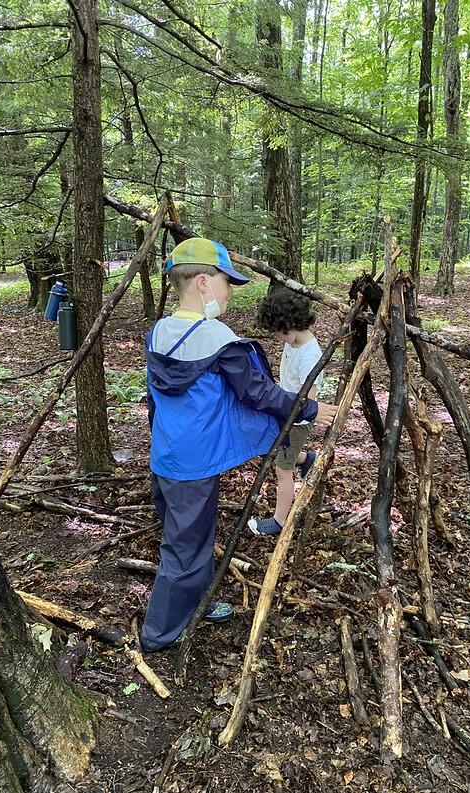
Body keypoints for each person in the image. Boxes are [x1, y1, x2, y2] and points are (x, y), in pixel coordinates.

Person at [140, 237, 337, 652]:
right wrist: (310, 409)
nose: (230, 291)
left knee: (182, 538)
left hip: (166, 457)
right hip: (194, 467)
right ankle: (160, 634)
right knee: (186, 548)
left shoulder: (159, 332)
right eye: (226, 281)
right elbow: (258, 394)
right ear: (203, 283)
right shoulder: (215, 339)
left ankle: (194, 603)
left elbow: (157, 401)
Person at [247, 289, 324, 536]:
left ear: (290, 325)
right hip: (286, 411)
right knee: (278, 452)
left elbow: (308, 401)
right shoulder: (294, 342)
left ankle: (280, 520)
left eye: (281, 333)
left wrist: (293, 420)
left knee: (282, 468)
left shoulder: (310, 355)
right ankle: (306, 458)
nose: (281, 338)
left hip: (297, 420)